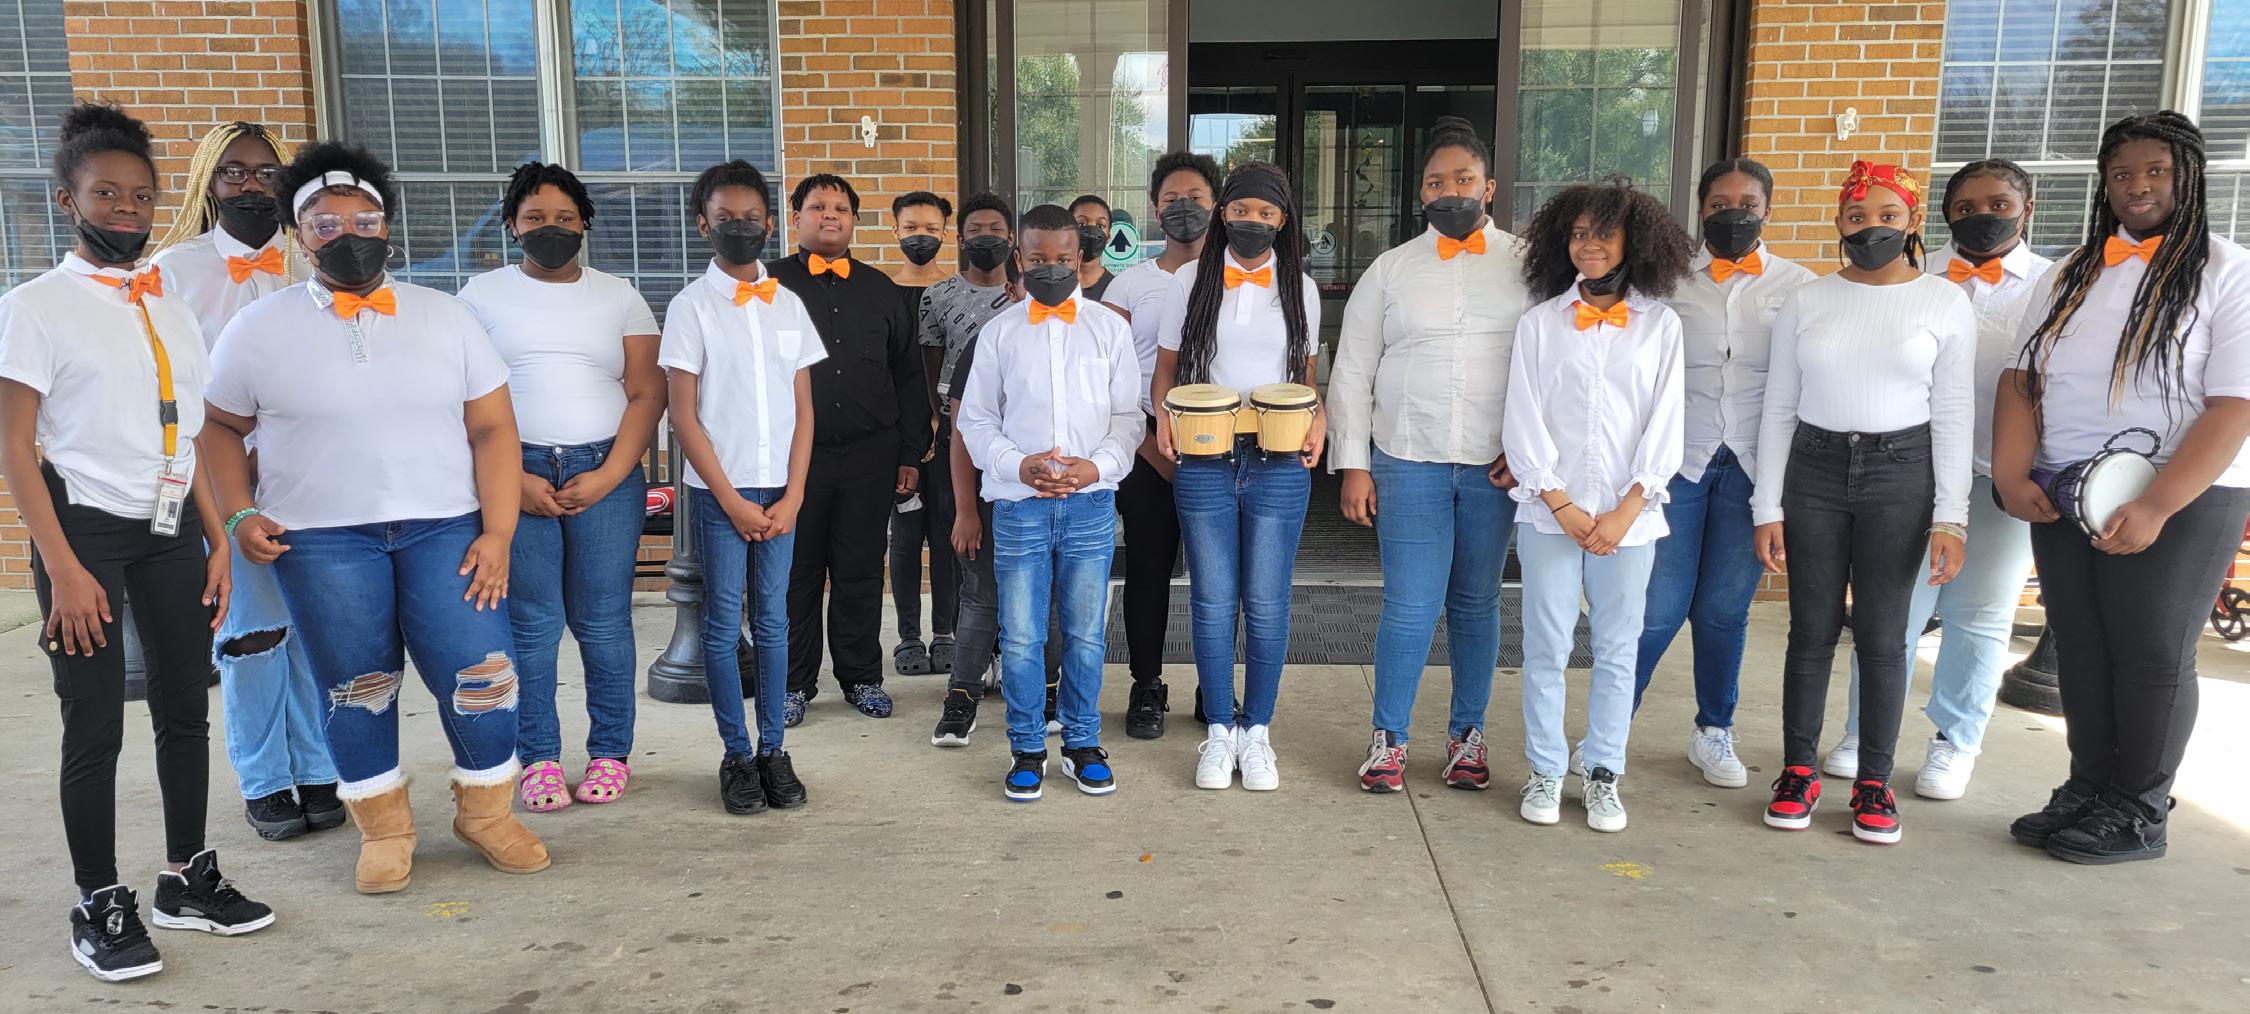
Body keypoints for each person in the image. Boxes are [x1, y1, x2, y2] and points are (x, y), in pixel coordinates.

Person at [202, 141, 549, 893]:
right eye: (326, 224)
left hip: (447, 529)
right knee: (357, 685)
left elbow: (494, 429)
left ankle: (487, 814)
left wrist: (498, 531)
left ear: (388, 225)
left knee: (483, 673)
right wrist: (238, 514)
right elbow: (219, 428)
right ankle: (385, 830)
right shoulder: (256, 329)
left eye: (365, 221)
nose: (348, 236)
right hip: (320, 540)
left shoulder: (447, 316)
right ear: (299, 235)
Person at [0, 103, 273, 982]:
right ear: (67, 200)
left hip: (172, 530)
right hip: (81, 530)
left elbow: (188, 435)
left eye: (141, 195)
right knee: (94, 723)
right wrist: (65, 567)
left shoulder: (169, 304)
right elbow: (15, 447)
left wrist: (218, 537)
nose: (126, 208)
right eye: (106, 193)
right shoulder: (33, 309)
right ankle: (98, 898)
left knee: (185, 707)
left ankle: (186, 876)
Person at [2000, 112, 2250, 864]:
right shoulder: (2070, 272)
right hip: (2067, 488)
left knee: (2149, 650)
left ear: (2189, 177)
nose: (2137, 186)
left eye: (2156, 171)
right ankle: (2091, 787)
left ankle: (2140, 808)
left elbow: (2234, 404)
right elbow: (2022, 379)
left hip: (2182, 493)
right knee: (2081, 647)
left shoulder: (2228, 270)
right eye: (2122, 174)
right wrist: (2012, 473)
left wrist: (2158, 504)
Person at [1753, 161, 1976, 846]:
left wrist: (1952, 516)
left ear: (1912, 221)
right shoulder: (1808, 301)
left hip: (1900, 475)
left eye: (1886, 215)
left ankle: (1874, 780)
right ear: (1839, 224)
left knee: (1884, 635)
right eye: (1856, 217)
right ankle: (1798, 770)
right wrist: (1767, 507)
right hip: (1814, 472)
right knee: (1811, 631)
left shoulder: (1943, 301)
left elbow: (1954, 412)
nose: (1870, 227)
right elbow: (1780, 405)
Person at [1829, 160, 2052, 800]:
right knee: (1890, 612)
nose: (1982, 216)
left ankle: (1956, 740)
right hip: (1908, 469)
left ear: (2027, 208)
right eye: (1965, 206)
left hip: (2001, 473)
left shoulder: (2051, 283)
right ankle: (1863, 731)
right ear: (1944, 215)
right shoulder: (1912, 276)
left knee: (1979, 614)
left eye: (1998, 203)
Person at [150, 120, 343, 840]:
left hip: (306, 476)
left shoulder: (310, 265)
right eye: (234, 172)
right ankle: (265, 779)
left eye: (266, 173)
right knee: (251, 634)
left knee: (312, 631)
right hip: (218, 478)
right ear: (209, 181)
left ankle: (318, 766)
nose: (251, 185)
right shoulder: (174, 271)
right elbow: (166, 386)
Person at [1330, 118, 1531, 793]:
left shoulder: (1528, 265)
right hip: (1406, 456)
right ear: (1421, 192)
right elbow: (1352, 370)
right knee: (1411, 603)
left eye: (1464, 180)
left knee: (1476, 602)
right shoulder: (1391, 269)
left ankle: (1467, 737)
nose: (1451, 192)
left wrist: (1530, 452)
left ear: (1489, 187)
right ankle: (1389, 738)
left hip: (1493, 465)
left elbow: (1549, 366)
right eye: (1437, 182)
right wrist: (1353, 464)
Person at [457, 162, 663, 812]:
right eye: (536, 218)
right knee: (532, 624)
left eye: (565, 218)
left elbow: (646, 392)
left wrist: (608, 475)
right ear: (512, 225)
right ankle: (540, 758)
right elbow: (459, 396)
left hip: (606, 468)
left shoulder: (619, 296)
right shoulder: (479, 296)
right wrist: (512, 480)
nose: (552, 228)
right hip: (512, 471)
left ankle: (610, 752)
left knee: (603, 622)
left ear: (584, 225)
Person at [1503, 179, 1690, 833]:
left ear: (1634, 242)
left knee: (1617, 648)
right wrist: (1558, 501)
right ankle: (1546, 768)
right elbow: (1523, 417)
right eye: (1579, 234)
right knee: (1546, 646)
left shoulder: (1661, 326)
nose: (1590, 245)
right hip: (1549, 512)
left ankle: (1604, 772)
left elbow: (1666, 422)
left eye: (1604, 234)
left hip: (1629, 518)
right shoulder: (1539, 324)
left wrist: (1626, 509)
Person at [1633, 158, 1816, 790]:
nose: (1733, 214)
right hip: (1676, 462)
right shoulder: (1665, 281)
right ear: (1701, 208)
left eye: (1747, 203)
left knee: (1721, 611)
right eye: (1719, 203)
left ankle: (1714, 729)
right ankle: (1612, 723)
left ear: (1767, 209)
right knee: (1657, 608)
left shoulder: (1799, 287)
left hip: (1753, 467)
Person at [956, 203, 1145, 800]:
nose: (1052, 268)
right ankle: (1027, 748)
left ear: (1080, 255)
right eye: (1038, 259)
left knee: (1086, 633)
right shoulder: (999, 333)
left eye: (1063, 258)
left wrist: (1097, 466)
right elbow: (975, 419)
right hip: (1020, 505)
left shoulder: (1110, 329)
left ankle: (1083, 742)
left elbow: (1128, 418)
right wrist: (1018, 465)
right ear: (1019, 257)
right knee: (1021, 635)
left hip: (1090, 505)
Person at [660, 159, 826, 815]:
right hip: (718, 494)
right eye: (725, 217)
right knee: (724, 621)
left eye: (752, 217)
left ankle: (774, 749)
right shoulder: (690, 307)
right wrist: (730, 500)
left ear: (770, 223)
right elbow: (683, 415)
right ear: (703, 225)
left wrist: (795, 494)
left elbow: (804, 410)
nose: (740, 226)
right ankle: (735, 754)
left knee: (775, 619)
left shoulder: (789, 305)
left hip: (781, 491)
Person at [1153, 161, 1324, 792]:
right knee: (1212, 598)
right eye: (1242, 210)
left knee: (1268, 600)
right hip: (1206, 454)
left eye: (1266, 213)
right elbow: (1166, 367)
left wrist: (1320, 417)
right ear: (1224, 213)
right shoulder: (1190, 280)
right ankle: (1220, 731)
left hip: (1278, 457)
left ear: (1283, 221)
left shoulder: (1299, 286)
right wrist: (1163, 419)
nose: (1253, 221)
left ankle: (1258, 733)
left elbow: (1304, 375)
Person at [770, 173, 932, 726]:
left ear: (855, 221)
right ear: (796, 218)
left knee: (860, 570)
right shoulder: (770, 287)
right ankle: (793, 684)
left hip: (870, 454)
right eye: (818, 206)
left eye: (840, 208)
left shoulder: (880, 289)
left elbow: (908, 374)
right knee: (796, 574)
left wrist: (911, 452)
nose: (830, 215)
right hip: (795, 460)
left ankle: (861, 677)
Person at [1099, 152, 1220, 739]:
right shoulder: (1130, 284)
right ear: (1154, 208)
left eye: (1196, 197)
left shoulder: (1238, 278)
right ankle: (1146, 685)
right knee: (1148, 570)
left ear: (1216, 205)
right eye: (1172, 199)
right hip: (1147, 446)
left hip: (1222, 448)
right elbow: (1109, 375)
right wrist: (1151, 446)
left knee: (1219, 576)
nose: (1184, 208)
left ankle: (1213, 685)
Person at [924, 192, 1027, 745]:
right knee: (981, 590)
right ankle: (962, 693)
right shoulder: (986, 342)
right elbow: (962, 430)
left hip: (1048, 495)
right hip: (985, 486)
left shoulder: (1087, 335)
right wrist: (966, 508)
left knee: (1043, 598)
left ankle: (1040, 689)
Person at [887, 190, 957, 677]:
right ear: (895, 230)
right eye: (911, 228)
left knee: (948, 535)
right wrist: (907, 438)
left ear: (945, 234)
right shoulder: (881, 293)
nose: (920, 237)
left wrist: (938, 423)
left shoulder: (955, 293)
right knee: (907, 536)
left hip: (949, 436)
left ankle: (945, 632)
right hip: (899, 440)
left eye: (931, 229)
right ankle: (908, 636)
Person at [1069, 194, 1115, 300]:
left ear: (1108, 237)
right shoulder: (1053, 284)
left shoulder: (1116, 288)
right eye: (1081, 224)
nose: (1091, 232)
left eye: (1100, 226)